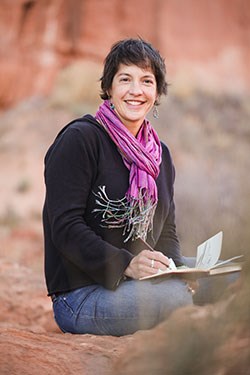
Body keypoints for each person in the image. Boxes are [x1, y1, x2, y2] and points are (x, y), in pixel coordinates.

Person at [43, 38, 216, 336]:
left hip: (139, 280)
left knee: (228, 277)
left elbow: (167, 232)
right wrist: (126, 265)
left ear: (157, 92)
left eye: (146, 81)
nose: (136, 91)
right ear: (109, 87)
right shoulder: (80, 140)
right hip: (82, 294)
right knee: (175, 298)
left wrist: (177, 270)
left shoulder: (160, 154)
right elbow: (65, 227)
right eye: (125, 79)